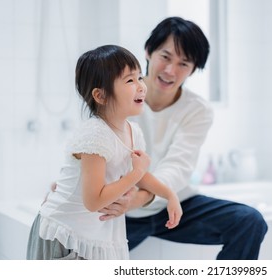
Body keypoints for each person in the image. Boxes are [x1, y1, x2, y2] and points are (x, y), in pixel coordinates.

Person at [99, 17, 268, 260]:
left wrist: (143, 198)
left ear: (193, 69)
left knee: (249, 221)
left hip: (174, 204)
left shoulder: (197, 110)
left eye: (183, 63)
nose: (170, 71)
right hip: (122, 211)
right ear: (148, 52)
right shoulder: (118, 96)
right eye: (165, 57)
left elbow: (177, 165)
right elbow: (96, 149)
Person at [26, 45, 182, 260]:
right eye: (130, 80)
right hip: (63, 235)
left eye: (139, 77)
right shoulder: (95, 134)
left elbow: (141, 174)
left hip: (93, 234)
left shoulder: (132, 131)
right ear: (100, 95)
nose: (141, 86)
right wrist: (135, 174)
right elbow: (94, 201)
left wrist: (169, 195)